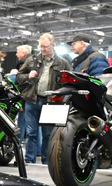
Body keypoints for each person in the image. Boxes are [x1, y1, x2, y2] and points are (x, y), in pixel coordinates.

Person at [15, 33, 71, 165]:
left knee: (48, 135)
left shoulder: (63, 63)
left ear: (53, 45)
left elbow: (69, 85)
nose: (43, 49)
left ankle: (47, 162)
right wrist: (28, 75)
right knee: (31, 133)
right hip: (32, 100)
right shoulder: (31, 60)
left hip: (51, 103)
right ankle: (29, 160)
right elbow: (18, 77)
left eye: (46, 46)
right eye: (41, 46)